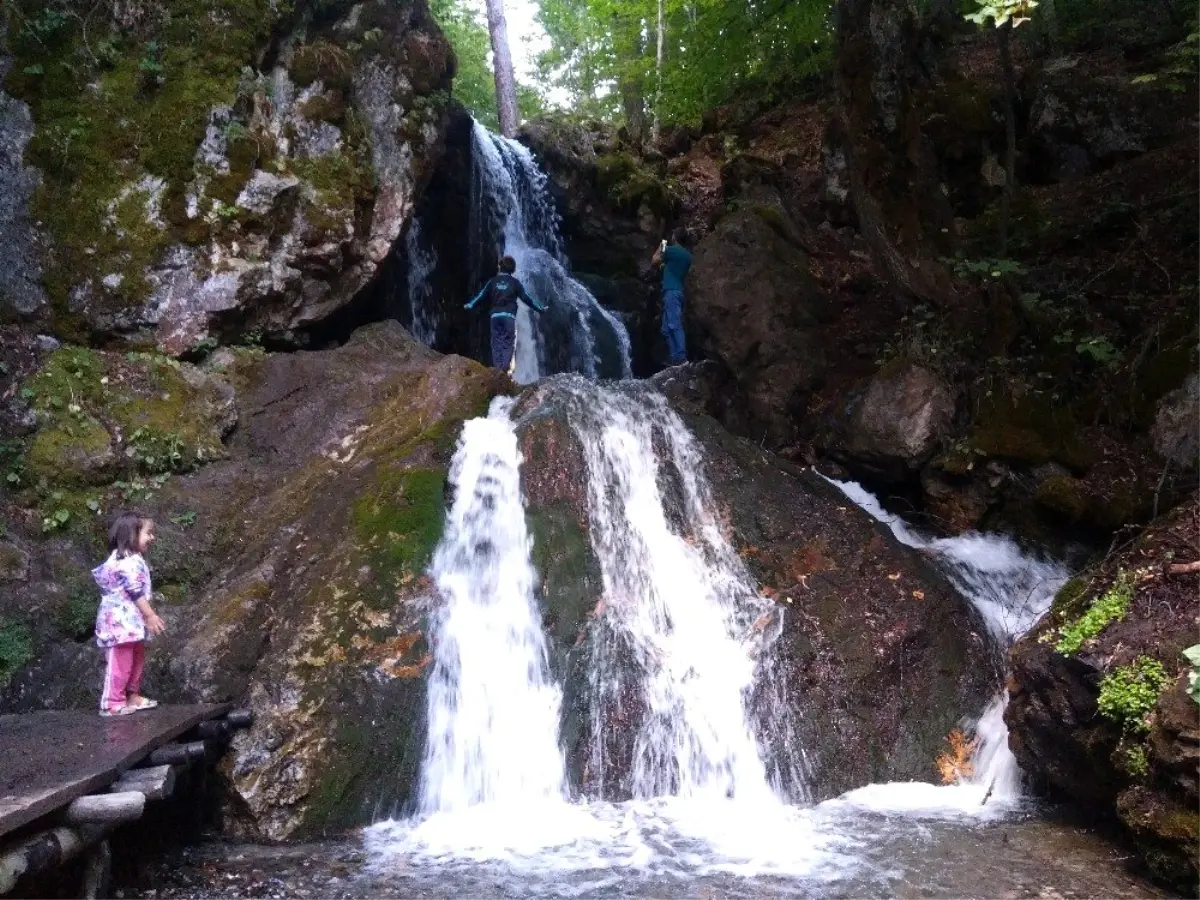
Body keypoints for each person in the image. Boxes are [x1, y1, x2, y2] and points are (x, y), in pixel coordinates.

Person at [93, 512, 166, 717]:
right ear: (132, 535)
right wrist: (150, 615)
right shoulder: (125, 561)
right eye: (148, 533)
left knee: (136, 657)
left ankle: (131, 695)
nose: (153, 538)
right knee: (120, 660)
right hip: (119, 621)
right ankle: (112, 701)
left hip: (131, 620)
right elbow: (134, 591)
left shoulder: (132, 559)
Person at [464, 256, 548, 374]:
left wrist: (470, 305)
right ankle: (504, 371)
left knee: (496, 343)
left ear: (500, 267)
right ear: (513, 269)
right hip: (508, 317)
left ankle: (497, 370)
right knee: (508, 343)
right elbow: (526, 298)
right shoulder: (515, 283)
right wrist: (540, 309)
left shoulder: (492, 281)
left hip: (495, 318)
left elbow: (481, 295)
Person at [652, 228, 692, 366]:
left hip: (671, 292)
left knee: (674, 324)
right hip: (677, 291)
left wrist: (662, 244)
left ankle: (681, 357)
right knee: (665, 328)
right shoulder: (687, 255)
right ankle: (675, 356)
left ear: (674, 237)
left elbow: (654, 260)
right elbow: (665, 266)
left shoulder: (670, 250)